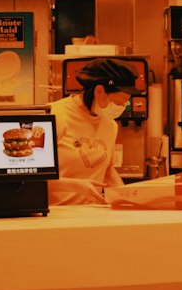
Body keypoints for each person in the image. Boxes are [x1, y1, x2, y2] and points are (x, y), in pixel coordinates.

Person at [48, 57, 138, 206]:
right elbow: (28, 178)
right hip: (55, 217)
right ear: (99, 91)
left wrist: (129, 198)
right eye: (119, 101)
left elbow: (108, 173)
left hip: (91, 216)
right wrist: (76, 185)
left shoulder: (110, 125)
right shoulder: (54, 116)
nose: (123, 107)